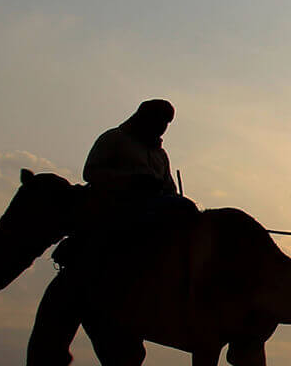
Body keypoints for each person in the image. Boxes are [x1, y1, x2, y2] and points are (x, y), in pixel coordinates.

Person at [63, 99, 197, 271]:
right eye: (158, 120)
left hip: (155, 205)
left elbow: (169, 186)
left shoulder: (160, 154)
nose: (162, 127)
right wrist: (132, 180)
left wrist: (168, 193)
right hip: (119, 207)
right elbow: (91, 172)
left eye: (166, 123)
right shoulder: (114, 139)